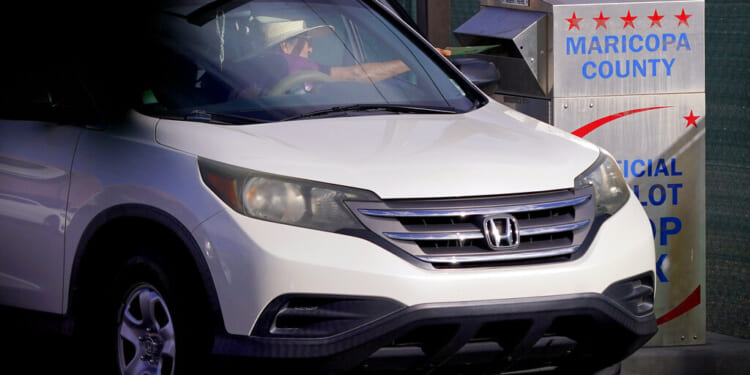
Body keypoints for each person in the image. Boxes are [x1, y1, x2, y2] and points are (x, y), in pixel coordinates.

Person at [230, 19, 410, 98]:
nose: (310, 48)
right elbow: (356, 74)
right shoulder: (287, 61)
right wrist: (413, 63)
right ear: (285, 46)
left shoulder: (250, 65)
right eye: (305, 41)